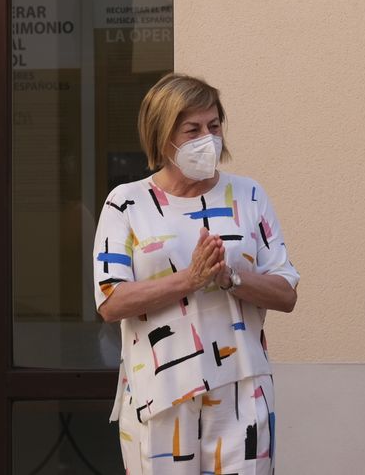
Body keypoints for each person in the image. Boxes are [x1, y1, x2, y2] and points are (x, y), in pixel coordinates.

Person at [92, 73, 300, 474]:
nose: (208, 138)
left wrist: (230, 277)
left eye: (214, 126)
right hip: (159, 394)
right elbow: (110, 301)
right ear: (162, 136)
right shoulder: (127, 203)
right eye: (193, 129)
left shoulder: (248, 195)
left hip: (241, 390)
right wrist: (190, 279)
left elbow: (286, 292)